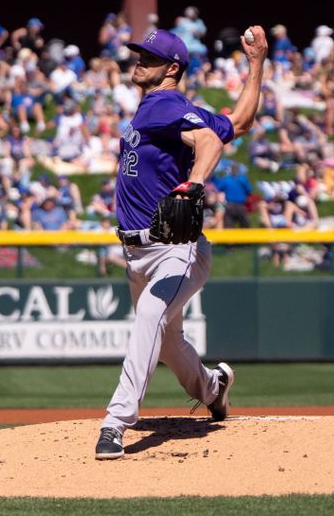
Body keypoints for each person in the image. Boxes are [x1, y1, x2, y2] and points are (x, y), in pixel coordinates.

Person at [95, 26, 267, 460]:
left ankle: (117, 421)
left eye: (148, 57)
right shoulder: (169, 108)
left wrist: (194, 182)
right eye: (138, 53)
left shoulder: (162, 104)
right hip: (139, 252)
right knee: (169, 343)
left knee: (150, 316)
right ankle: (214, 387)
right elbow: (238, 123)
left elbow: (209, 142)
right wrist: (256, 63)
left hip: (175, 248)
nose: (138, 61)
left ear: (172, 68)